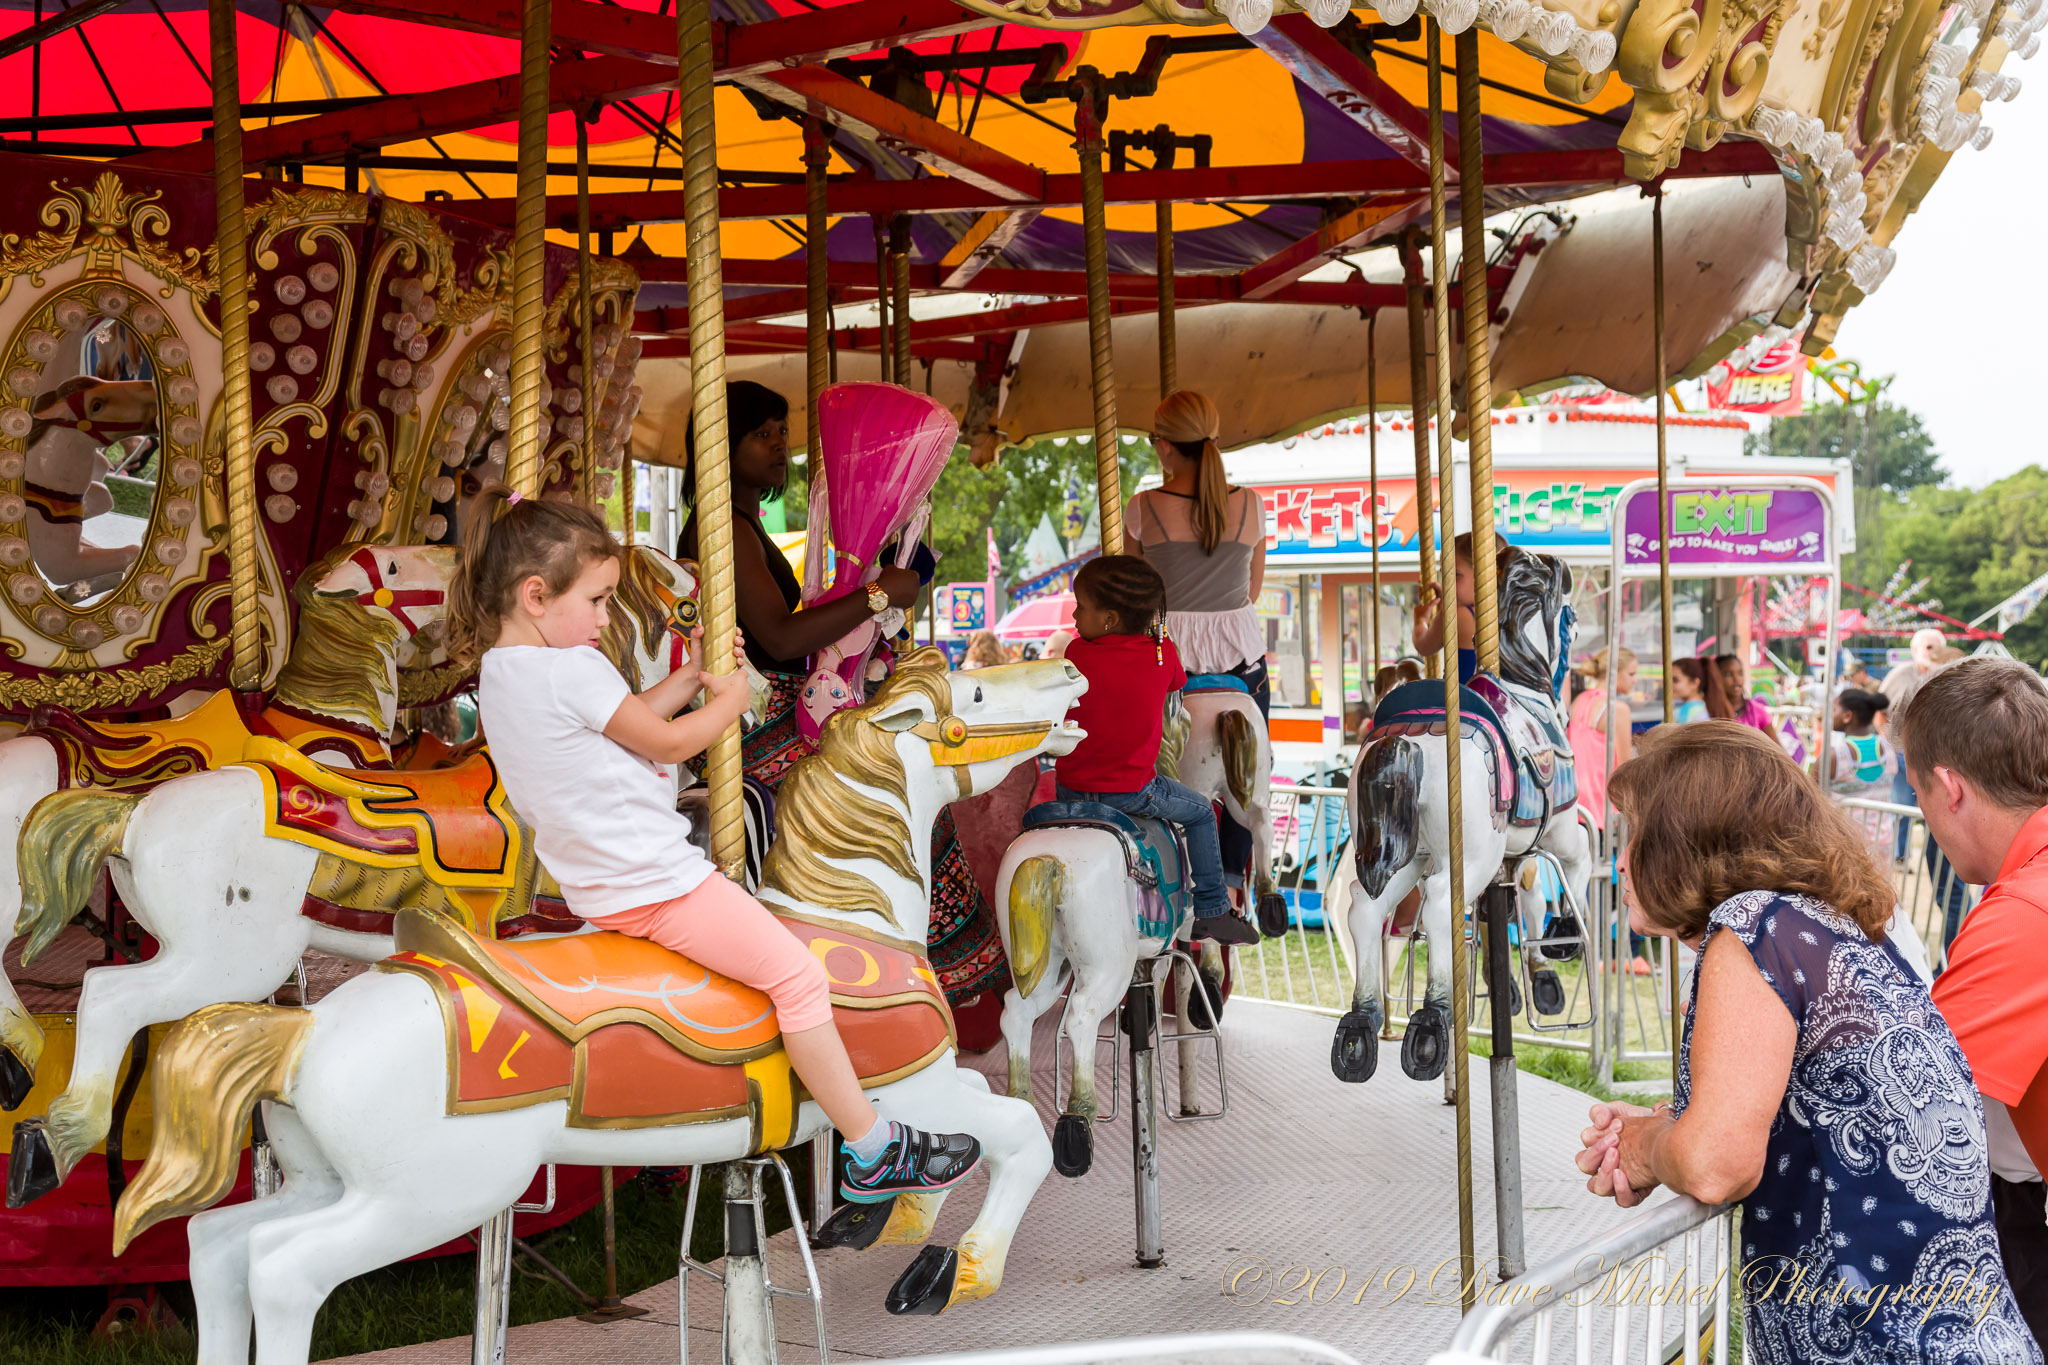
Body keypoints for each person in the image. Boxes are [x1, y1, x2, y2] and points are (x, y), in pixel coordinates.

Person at [453, 488, 982, 1206]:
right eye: (598, 601)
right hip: (659, 884)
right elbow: (667, 742)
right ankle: (871, 1146)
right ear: (537, 595)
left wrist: (691, 676)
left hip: (598, 889)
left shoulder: (501, 671)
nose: (605, 619)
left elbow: (625, 719)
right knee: (797, 978)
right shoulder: (569, 667)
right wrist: (729, 702)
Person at [1575, 722, 2040, 1364]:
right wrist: (1669, 1124)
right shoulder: (1831, 931)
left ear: (1690, 838)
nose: (1622, 860)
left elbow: (1715, 1163)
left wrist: (1649, 1148)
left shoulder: (1754, 928)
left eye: (1636, 835)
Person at [676, 380, 1006, 1010]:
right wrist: (875, 597)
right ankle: (927, 963)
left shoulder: (744, 525)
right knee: (895, 777)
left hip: (772, 700)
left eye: (782, 431)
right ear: (721, 446)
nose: (780, 446)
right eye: (761, 434)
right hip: (749, 718)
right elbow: (779, 634)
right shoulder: (722, 530)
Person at [1899, 657, 2048, 1340]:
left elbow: (1899, 1086)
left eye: (1920, 795)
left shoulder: (2024, 911)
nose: (1925, 818)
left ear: (1950, 788)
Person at [1057, 554, 1258, 946]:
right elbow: (1176, 687)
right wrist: (1156, 640)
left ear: (1109, 618)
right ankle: (1214, 908)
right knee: (1202, 812)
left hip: (1071, 790)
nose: (1075, 615)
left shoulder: (1076, 653)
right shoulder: (1162, 653)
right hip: (1131, 792)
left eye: (1081, 606)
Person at [1131, 391, 1272, 716]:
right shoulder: (1251, 504)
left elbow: (1137, 597)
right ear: (1215, 441)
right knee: (1254, 748)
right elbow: (1251, 592)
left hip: (1168, 657)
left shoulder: (1143, 507)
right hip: (1241, 657)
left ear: (1166, 445)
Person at [1413, 533, 1514, 685]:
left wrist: (1420, 620)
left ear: (1485, 575)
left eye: (1456, 575)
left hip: (1464, 699)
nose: (1447, 584)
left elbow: (1424, 645)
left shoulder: (1460, 616)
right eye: (1445, 576)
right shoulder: (1512, 612)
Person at [1880, 627, 1947, 855]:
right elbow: (1879, 710)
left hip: (1936, 755)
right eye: (1929, 647)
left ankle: (1933, 859)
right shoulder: (1900, 674)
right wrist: (1888, 741)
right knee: (1902, 807)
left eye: (1938, 647)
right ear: (1915, 650)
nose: (1933, 652)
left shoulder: (1947, 676)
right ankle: (1899, 856)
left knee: (1935, 809)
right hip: (1902, 752)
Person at [1828, 688, 1898, 855]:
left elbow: (1811, 796)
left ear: (1847, 716)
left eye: (1834, 709)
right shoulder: (1889, 749)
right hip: (1883, 842)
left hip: (1847, 845)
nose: (1830, 714)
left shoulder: (1834, 756)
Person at [1712, 653, 1774, 732]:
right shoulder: (1708, 712)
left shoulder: (1758, 712)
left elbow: (1773, 740)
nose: (1736, 679)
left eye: (1740, 673)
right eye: (1728, 674)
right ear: (1716, 678)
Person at [1666, 657, 1716, 723]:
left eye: (1675, 680)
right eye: (1668, 680)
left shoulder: (1685, 711)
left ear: (1694, 683)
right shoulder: (1706, 707)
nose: (1669, 684)